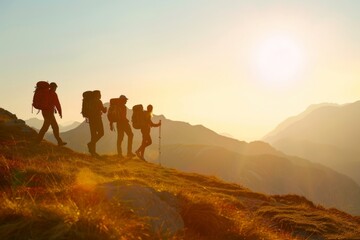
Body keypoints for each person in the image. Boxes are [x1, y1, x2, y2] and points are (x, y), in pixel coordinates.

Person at [36, 82, 67, 146]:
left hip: (45, 112)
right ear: (54, 87)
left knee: (54, 126)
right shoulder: (53, 94)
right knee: (46, 127)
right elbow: (57, 104)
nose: (56, 89)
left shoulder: (46, 93)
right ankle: (37, 141)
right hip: (49, 113)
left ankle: (59, 142)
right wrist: (60, 112)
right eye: (56, 87)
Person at [87, 90, 107, 157]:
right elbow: (104, 111)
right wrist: (105, 108)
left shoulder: (90, 101)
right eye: (99, 94)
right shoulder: (98, 101)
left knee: (93, 135)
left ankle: (93, 152)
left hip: (91, 120)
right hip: (97, 119)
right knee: (101, 133)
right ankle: (91, 144)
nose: (100, 95)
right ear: (97, 95)